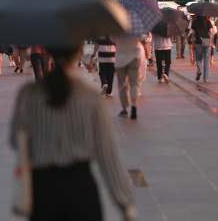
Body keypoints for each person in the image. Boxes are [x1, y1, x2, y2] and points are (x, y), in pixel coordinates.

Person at [9, 45, 136, 221]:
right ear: (78, 53)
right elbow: (107, 153)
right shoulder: (90, 97)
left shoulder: (29, 95)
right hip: (81, 189)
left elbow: (15, 139)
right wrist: (125, 202)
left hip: (42, 191)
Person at [113, 34, 143, 120]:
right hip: (134, 58)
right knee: (134, 84)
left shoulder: (116, 27)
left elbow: (112, 39)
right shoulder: (136, 26)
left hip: (120, 59)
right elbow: (141, 38)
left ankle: (124, 109)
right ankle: (134, 105)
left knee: (122, 84)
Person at [190, 15, 215, 82]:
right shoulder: (207, 21)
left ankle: (199, 70)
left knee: (198, 58)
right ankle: (205, 78)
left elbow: (193, 33)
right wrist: (211, 41)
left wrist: (192, 42)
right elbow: (211, 32)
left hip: (198, 41)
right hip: (207, 41)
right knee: (206, 60)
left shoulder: (194, 22)